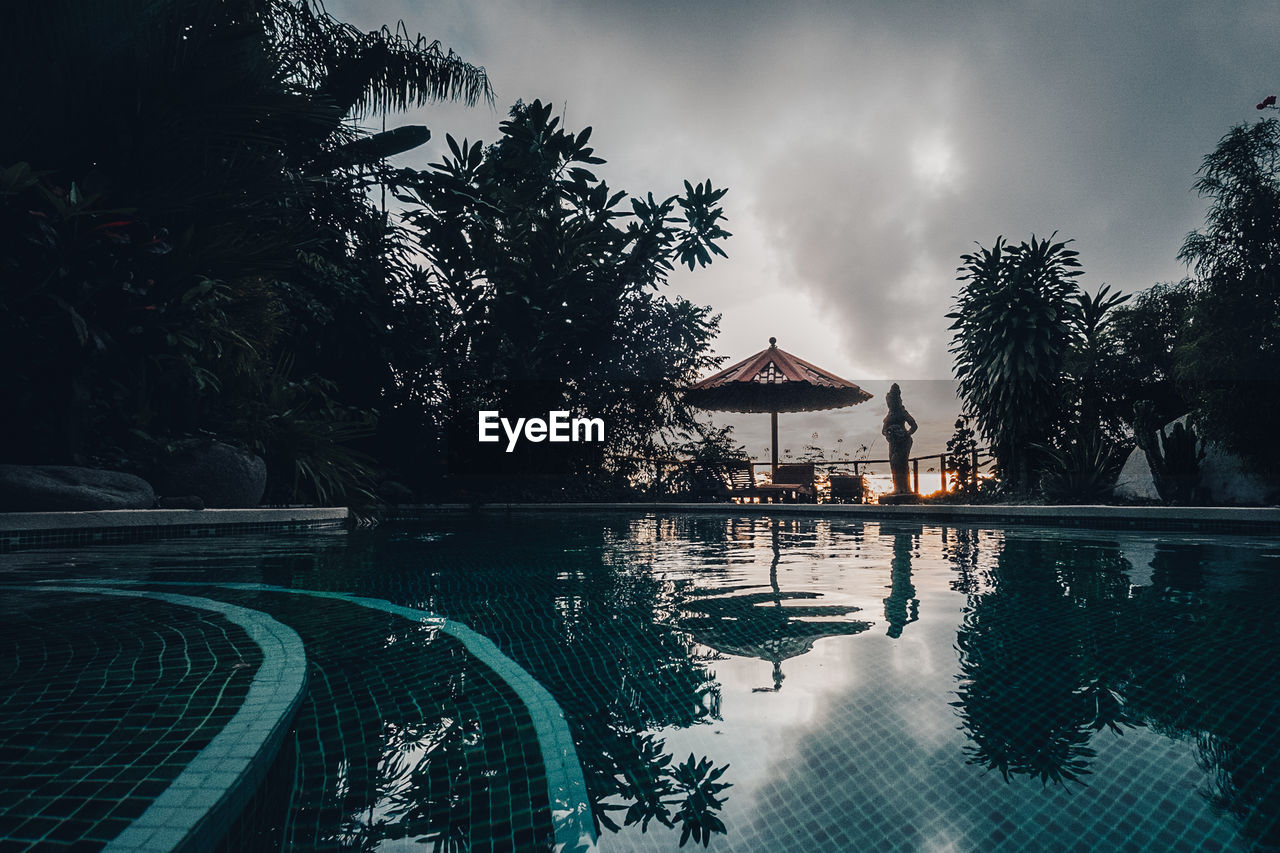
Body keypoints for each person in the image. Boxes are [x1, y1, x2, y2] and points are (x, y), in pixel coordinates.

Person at [882, 383, 918, 495]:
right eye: (888, 402)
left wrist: (905, 434)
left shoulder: (902, 412)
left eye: (890, 402)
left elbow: (914, 426)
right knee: (893, 464)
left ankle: (905, 488)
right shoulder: (889, 414)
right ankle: (897, 487)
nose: (889, 404)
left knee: (900, 463)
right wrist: (889, 434)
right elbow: (883, 430)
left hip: (903, 441)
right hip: (893, 442)